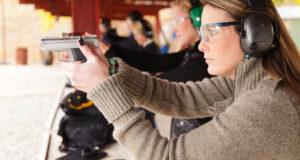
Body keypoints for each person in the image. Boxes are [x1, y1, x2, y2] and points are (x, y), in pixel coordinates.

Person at [64, 0, 300, 159]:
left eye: (212, 32)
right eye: (201, 33)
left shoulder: (268, 105)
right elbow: (177, 97)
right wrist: (110, 69)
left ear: (254, 33)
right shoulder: (246, 81)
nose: (202, 45)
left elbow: (165, 156)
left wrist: (103, 88)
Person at [102, 0, 212, 138]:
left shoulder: (204, 58)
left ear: (197, 19)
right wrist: (110, 50)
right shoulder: (190, 52)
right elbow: (154, 61)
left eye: (177, 20)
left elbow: (164, 79)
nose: (174, 29)